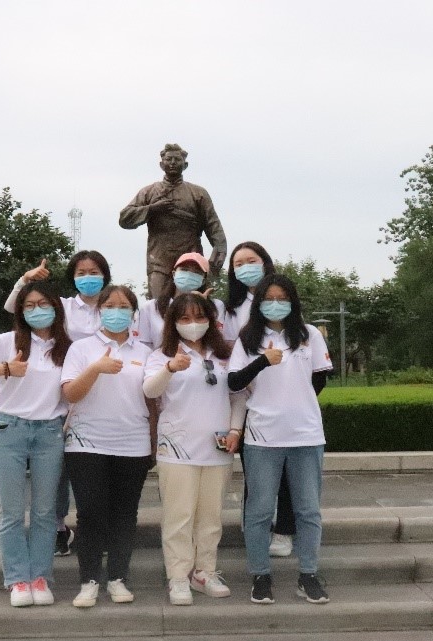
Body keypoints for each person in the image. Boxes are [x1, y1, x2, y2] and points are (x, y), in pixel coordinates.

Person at [0, 281, 71, 607]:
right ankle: (18, 579)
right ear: (20, 311)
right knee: (11, 511)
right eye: (29, 305)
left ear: (56, 307)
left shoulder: (67, 347)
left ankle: (40, 577)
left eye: (43, 304)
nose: (37, 310)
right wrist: (6, 368)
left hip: (50, 433)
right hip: (10, 430)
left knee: (45, 511)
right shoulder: (6, 341)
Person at [227, 273, 333, 605]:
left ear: (293, 302)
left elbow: (319, 379)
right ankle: (260, 575)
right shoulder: (248, 338)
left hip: (306, 435)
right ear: (259, 304)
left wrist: (295, 403)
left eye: (282, 298)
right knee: (259, 511)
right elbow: (234, 382)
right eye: (269, 299)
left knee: (308, 510)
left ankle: (308, 575)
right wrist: (262, 361)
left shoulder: (309, 335)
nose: (276, 304)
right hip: (262, 437)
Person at [4, 250, 115, 557]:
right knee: (59, 468)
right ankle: (57, 528)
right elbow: (16, 308)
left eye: (94, 272)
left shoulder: (114, 305)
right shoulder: (64, 307)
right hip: (67, 391)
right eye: (81, 273)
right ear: (72, 277)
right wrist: (24, 281)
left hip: (109, 392)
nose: (88, 278)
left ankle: (99, 529)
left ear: (105, 275)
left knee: (99, 467)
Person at [60, 285, 155, 608]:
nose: (117, 312)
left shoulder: (145, 352)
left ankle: (117, 577)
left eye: (123, 306)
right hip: (86, 443)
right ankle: (89, 580)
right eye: (110, 306)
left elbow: (154, 399)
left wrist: (154, 440)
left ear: (134, 313)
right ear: (99, 311)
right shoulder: (81, 349)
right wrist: (94, 369)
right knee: (90, 512)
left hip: (132, 443)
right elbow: (71, 394)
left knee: (125, 513)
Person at [142, 292, 238, 606]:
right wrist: (170, 368)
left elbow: (238, 395)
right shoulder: (162, 355)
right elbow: (150, 390)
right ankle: (178, 576)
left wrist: (236, 429)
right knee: (179, 516)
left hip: (218, 448)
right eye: (184, 318)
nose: (193, 324)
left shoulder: (224, 354)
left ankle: (204, 571)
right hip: (177, 449)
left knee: (211, 516)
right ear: (173, 323)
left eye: (199, 317)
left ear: (211, 320)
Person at [224, 241, 296, 558]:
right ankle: (256, 523)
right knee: (255, 467)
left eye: (250, 261)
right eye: (238, 264)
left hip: (283, 398)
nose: (245, 268)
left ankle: (285, 530)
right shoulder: (230, 309)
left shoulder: (283, 301)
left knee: (288, 472)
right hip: (244, 394)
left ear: (265, 262)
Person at [119, 143, 228, 299]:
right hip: (159, 259)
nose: (172, 163)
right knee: (157, 305)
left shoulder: (198, 193)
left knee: (189, 304)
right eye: (168, 159)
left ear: (185, 165)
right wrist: (152, 209)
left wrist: (218, 255)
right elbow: (125, 218)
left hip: (190, 260)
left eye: (177, 160)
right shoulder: (149, 192)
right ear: (161, 164)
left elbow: (213, 225)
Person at [137, 252, 225, 350]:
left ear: (203, 280)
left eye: (196, 272)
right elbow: (144, 347)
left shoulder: (216, 306)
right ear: (174, 274)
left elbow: (217, 341)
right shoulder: (151, 307)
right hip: (162, 358)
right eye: (184, 269)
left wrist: (204, 308)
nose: (189, 275)